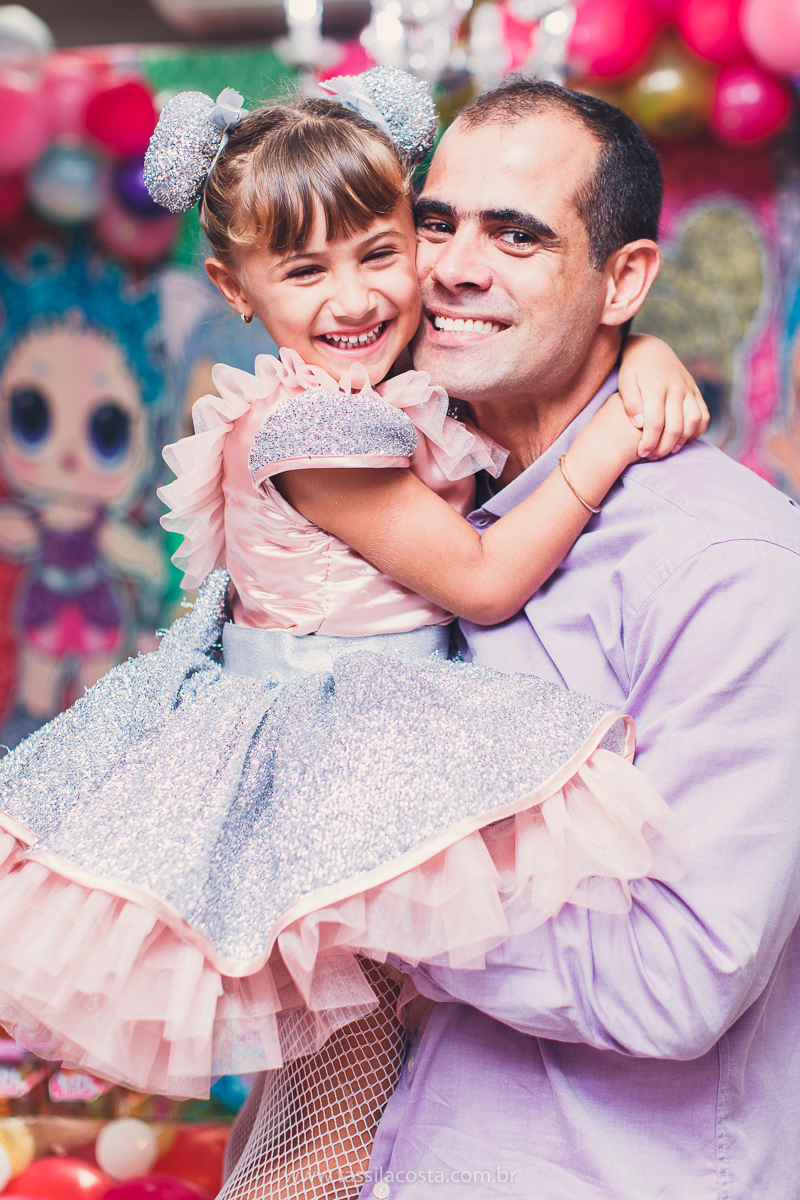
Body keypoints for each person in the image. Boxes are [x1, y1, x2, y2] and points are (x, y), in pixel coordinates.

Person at [0, 71, 700, 1198]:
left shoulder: (373, 385)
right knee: (330, 1141)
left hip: (349, 751)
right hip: (335, 772)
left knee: (331, 1107)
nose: (354, 297)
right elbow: (476, 582)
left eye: (379, 252)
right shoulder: (310, 428)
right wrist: (616, 430)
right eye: (304, 270)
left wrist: (641, 352)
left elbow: (547, 349)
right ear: (234, 286)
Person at [351, 77, 800, 1200]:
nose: (453, 266)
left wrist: (353, 896)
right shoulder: (404, 488)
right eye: (435, 222)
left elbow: (676, 976)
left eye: (514, 234)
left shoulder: (723, 568)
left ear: (624, 283)